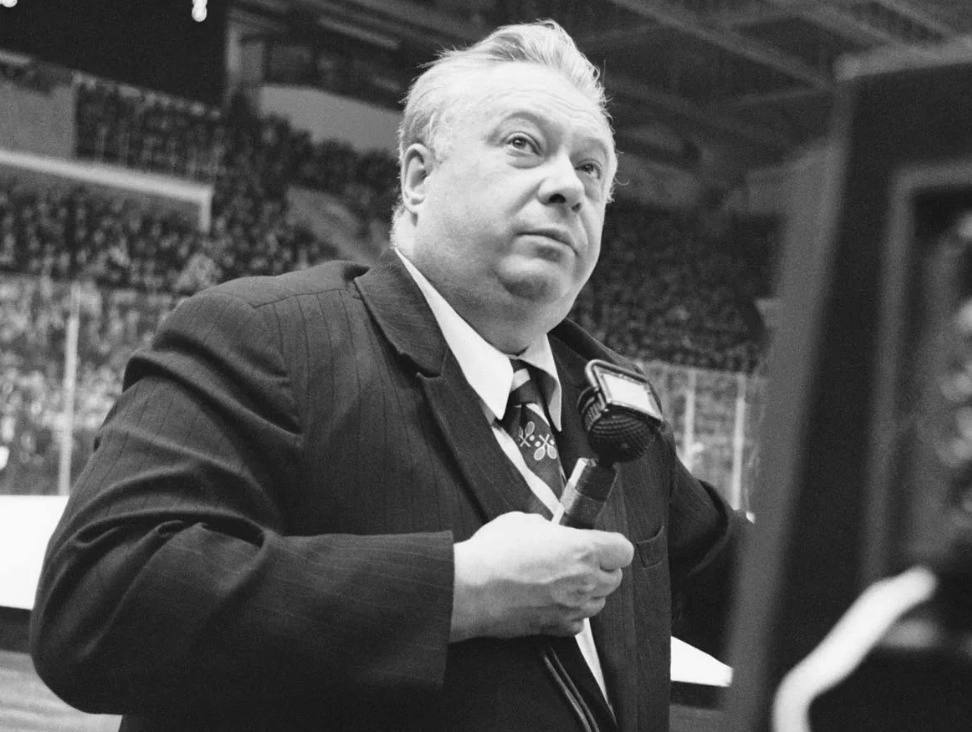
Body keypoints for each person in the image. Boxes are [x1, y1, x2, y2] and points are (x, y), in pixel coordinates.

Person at [30, 20, 745, 731]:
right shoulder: (265, 336)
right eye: (523, 144)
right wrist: (458, 590)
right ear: (418, 177)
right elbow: (99, 601)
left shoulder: (614, 406)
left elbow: (761, 595)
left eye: (592, 168)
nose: (568, 186)